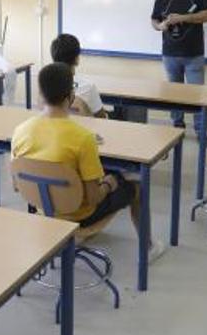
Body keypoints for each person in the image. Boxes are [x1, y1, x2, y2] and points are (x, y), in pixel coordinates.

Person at [11, 64, 161, 261]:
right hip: (79, 215)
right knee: (137, 187)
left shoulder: (20, 131)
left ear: (39, 94)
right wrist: (109, 184)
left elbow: (16, 185)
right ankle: (149, 248)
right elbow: (93, 198)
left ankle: (64, 234)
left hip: (41, 208)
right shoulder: (83, 138)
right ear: (71, 97)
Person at [151, 0, 207, 128]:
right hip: (170, 54)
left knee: (197, 96)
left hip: (194, 54)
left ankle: (200, 130)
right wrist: (160, 25)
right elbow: (154, 21)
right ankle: (177, 126)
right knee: (174, 95)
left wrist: (183, 18)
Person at [49, 33, 106, 118]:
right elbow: (101, 117)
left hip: (54, 129)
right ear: (76, 59)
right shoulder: (88, 87)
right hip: (81, 129)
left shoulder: (46, 85)